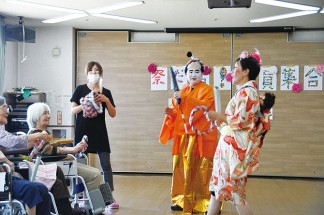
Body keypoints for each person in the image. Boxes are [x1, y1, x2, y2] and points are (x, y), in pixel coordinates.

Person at [159, 52, 218, 213]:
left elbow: (201, 110)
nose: (193, 74)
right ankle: (179, 200)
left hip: (201, 139)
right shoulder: (183, 91)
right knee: (180, 169)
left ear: (202, 73)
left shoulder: (208, 90)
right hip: (183, 138)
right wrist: (171, 113)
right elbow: (180, 115)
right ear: (185, 74)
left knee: (202, 171)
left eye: (197, 71)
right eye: (190, 71)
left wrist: (184, 99)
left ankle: (205, 203)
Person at [206, 50, 262, 215]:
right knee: (217, 190)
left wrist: (218, 116)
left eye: (236, 67)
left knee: (235, 192)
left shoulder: (248, 92)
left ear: (246, 72)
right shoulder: (244, 91)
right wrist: (221, 122)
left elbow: (241, 121)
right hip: (229, 147)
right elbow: (235, 121)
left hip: (234, 151)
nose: (232, 71)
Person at [70, 61, 118, 209]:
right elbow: (73, 111)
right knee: (79, 165)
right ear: (87, 74)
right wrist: (85, 102)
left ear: (101, 74)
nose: (94, 74)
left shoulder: (106, 92)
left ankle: (109, 198)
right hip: (82, 131)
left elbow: (113, 114)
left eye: (97, 71)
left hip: (99, 132)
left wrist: (106, 101)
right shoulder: (80, 89)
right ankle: (78, 195)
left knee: (106, 165)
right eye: (92, 71)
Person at [26, 102, 102, 192]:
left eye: (48, 113)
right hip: (52, 166)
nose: (49, 116)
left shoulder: (43, 132)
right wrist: (72, 150)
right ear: (36, 117)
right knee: (95, 175)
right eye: (45, 113)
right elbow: (48, 149)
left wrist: (75, 149)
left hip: (60, 163)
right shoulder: (35, 133)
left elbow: (52, 147)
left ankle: (79, 195)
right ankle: (86, 202)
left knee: (97, 172)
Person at [0, 96, 51, 215]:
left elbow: (9, 145)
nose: (7, 111)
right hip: (2, 179)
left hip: (7, 175)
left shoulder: (1, 128)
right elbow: (12, 142)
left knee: (42, 189)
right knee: (31, 189)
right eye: (4, 107)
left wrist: (27, 146)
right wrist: (7, 162)